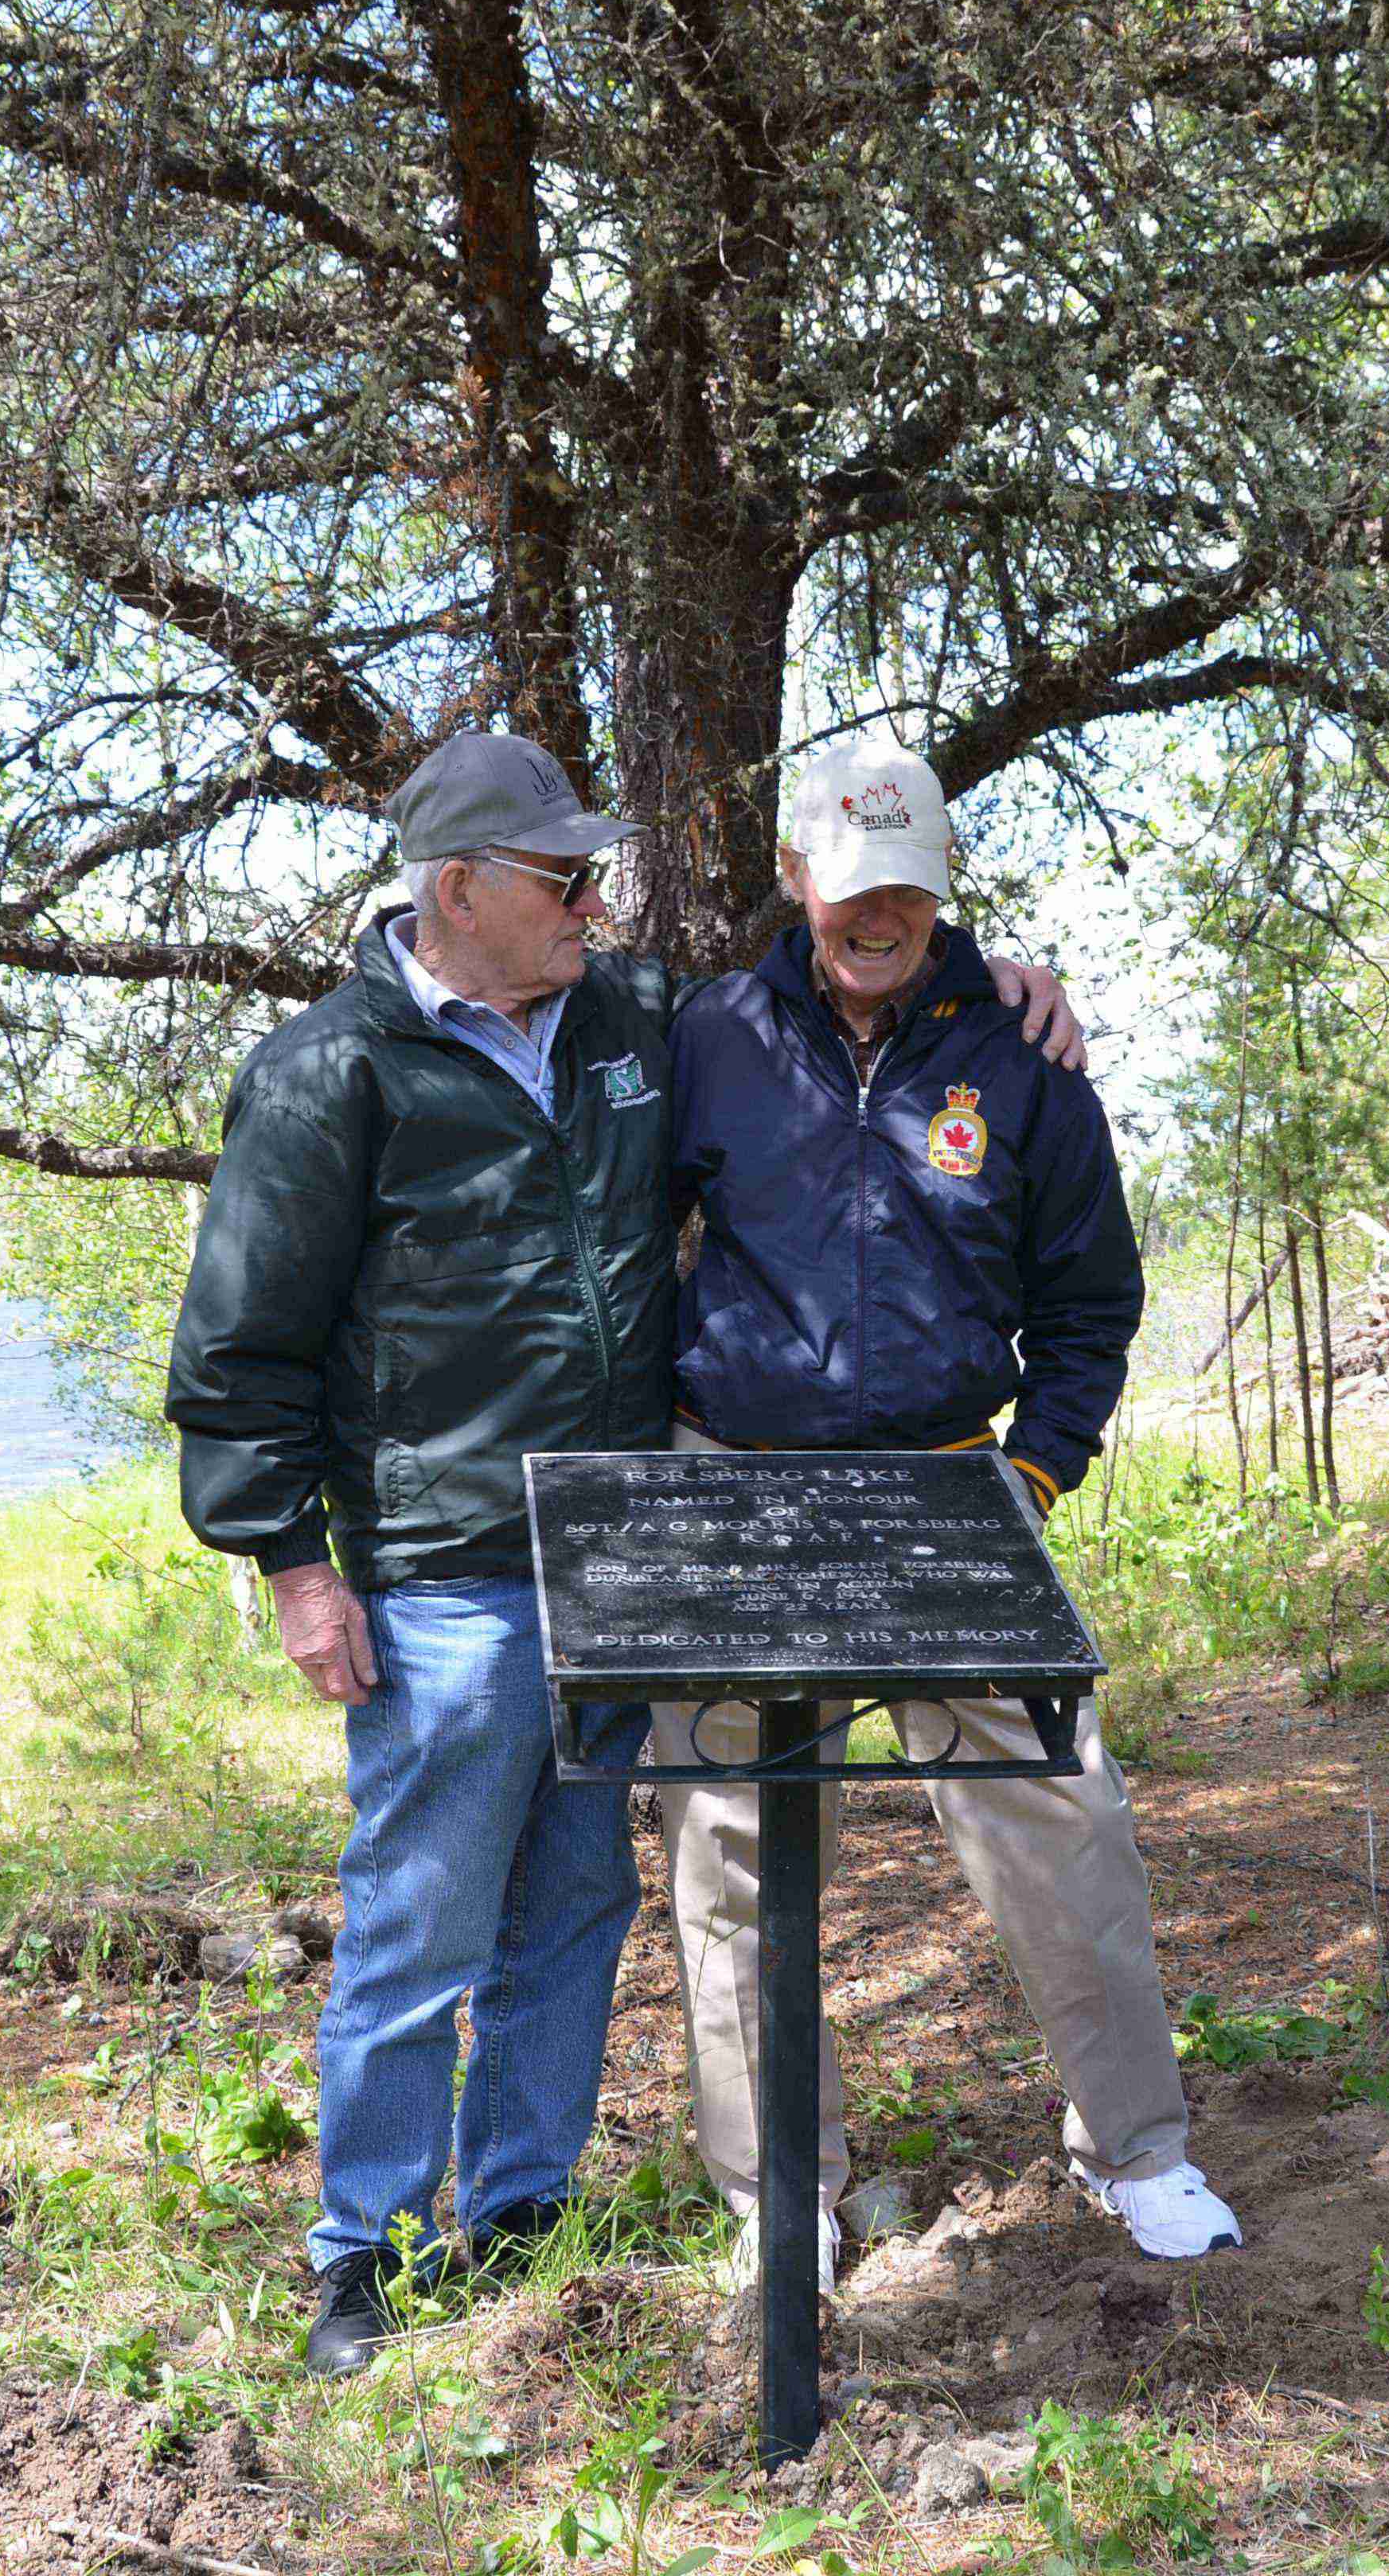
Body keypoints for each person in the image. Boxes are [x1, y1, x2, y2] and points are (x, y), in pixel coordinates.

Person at [162, 729, 1087, 2379]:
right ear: (458, 890)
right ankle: (363, 2252)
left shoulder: (634, 1021)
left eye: (594, 878)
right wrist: (293, 1564)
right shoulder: (328, 1074)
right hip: (444, 1569)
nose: (595, 902)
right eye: (562, 878)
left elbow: (840, 992)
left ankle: (522, 2210)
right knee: (419, 1918)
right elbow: (242, 1350)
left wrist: (996, 982)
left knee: (579, 1904)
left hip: (626, 1553)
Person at [650, 732, 1241, 2290]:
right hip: (741, 1491)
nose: (878, 917)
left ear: (943, 887)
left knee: (1065, 1822)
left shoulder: (1023, 1058)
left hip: (949, 1489)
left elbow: (1092, 1303)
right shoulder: (706, 1036)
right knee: (735, 1857)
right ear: (796, 878)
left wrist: (1032, 1472)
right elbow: (618, 1239)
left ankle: (1139, 2153)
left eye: (907, 889)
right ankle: (784, 2198)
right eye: (851, 887)